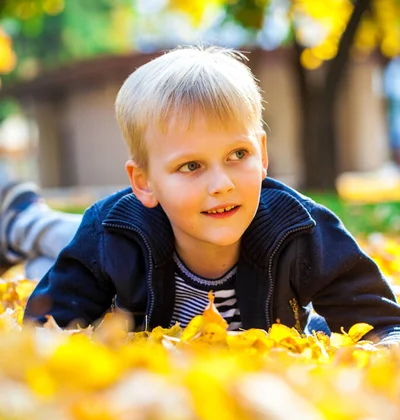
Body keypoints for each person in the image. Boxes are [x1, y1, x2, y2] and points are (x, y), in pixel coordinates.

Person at [1, 45, 400, 344]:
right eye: (191, 166)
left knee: (53, 256)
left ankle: (29, 230)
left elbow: (384, 324)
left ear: (262, 154)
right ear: (144, 182)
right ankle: (22, 219)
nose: (221, 183)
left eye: (237, 155)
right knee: (67, 247)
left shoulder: (299, 229)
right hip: (116, 238)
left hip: (167, 232)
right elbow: (45, 329)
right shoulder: (113, 232)